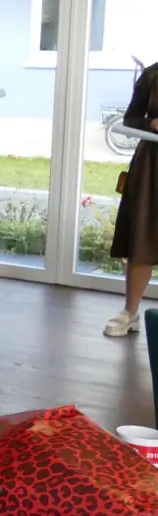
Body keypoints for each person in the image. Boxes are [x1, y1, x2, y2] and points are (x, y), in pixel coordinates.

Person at [104, 63, 158, 337]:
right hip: (151, 167)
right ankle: (130, 312)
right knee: (142, 238)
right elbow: (130, 119)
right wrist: (151, 123)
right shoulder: (152, 74)